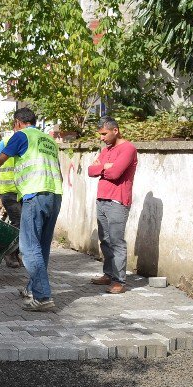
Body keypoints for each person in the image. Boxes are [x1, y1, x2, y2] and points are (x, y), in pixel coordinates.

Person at [0, 107, 63, 312]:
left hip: (35, 195)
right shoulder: (48, 140)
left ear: (17, 122)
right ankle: (33, 290)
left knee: (27, 248)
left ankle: (43, 297)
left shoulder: (21, 136)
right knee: (41, 247)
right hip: (55, 195)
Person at [87, 116, 138, 294]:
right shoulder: (106, 149)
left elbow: (116, 173)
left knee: (116, 241)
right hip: (101, 199)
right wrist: (104, 167)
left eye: (104, 134)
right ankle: (108, 274)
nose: (102, 138)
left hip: (117, 200)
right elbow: (90, 170)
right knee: (105, 240)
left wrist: (103, 167)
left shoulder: (128, 149)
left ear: (115, 130)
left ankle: (119, 281)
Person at [0, 133, 23, 268]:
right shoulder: (5, 142)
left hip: (23, 190)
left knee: (20, 223)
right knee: (18, 222)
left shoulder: (27, 141)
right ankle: (9, 253)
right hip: (9, 190)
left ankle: (15, 252)